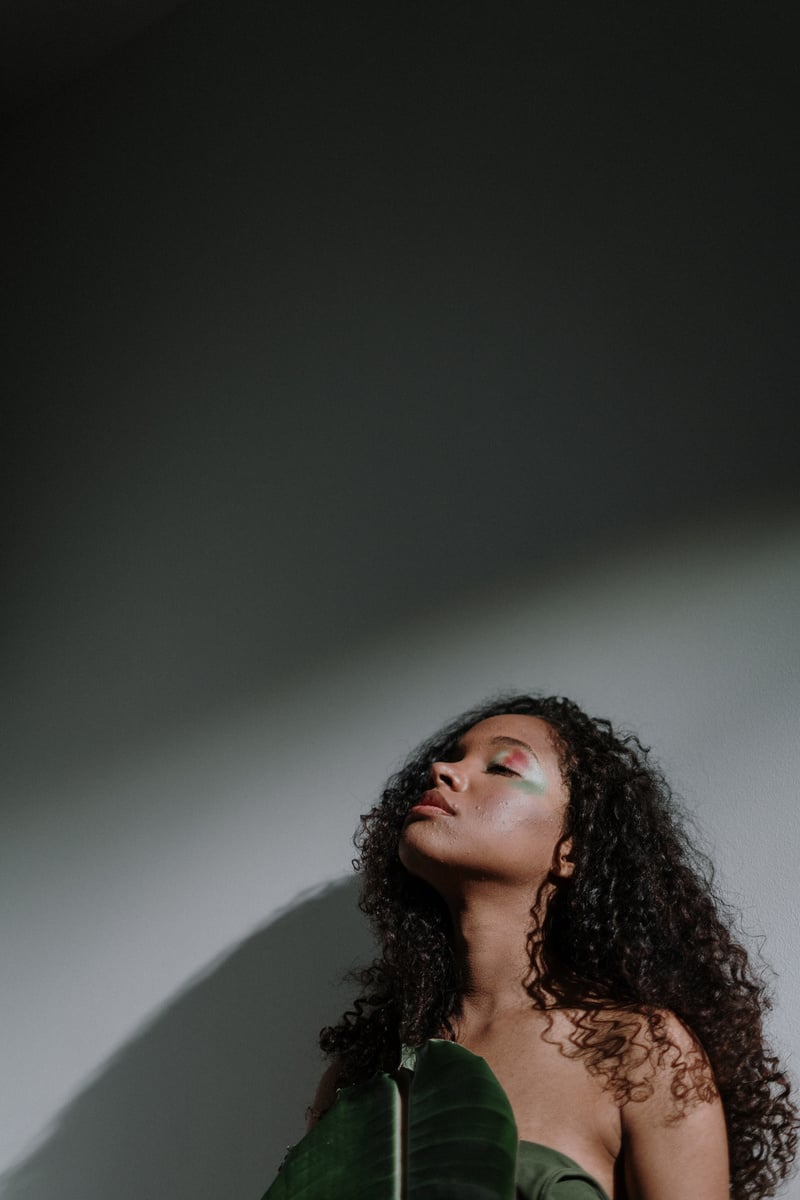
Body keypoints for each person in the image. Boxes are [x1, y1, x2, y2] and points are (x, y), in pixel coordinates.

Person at [312, 693, 797, 1199]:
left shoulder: (637, 1050)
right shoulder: (362, 1072)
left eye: (502, 767)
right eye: (453, 756)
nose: (443, 769)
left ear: (571, 848)